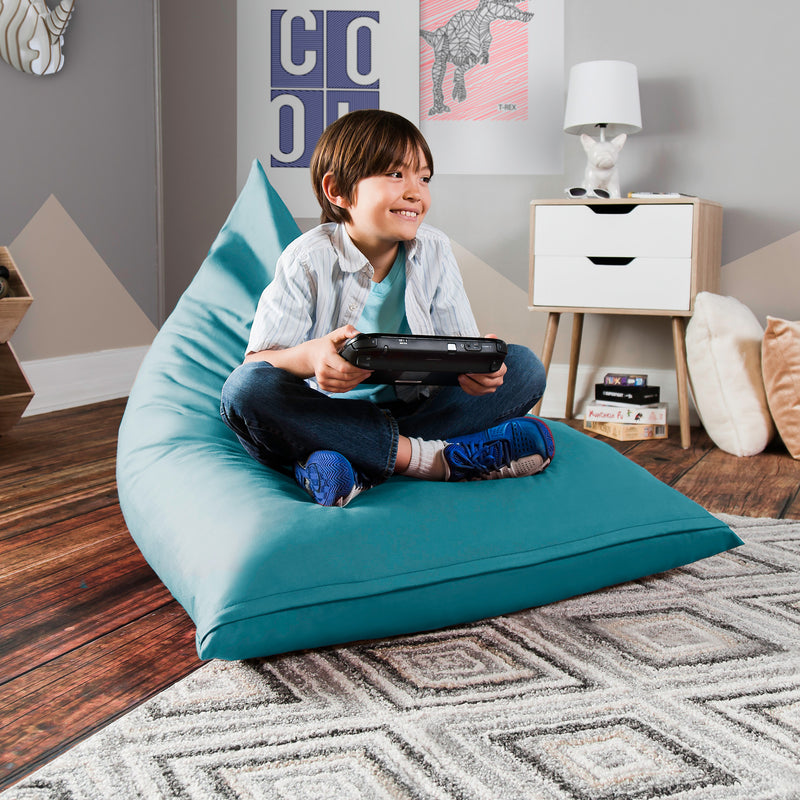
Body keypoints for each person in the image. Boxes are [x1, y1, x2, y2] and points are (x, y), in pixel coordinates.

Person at [221, 109, 553, 507]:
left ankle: (345, 461)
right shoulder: (306, 259)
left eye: (424, 178)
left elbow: (457, 345)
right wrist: (313, 356)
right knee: (244, 391)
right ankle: (430, 459)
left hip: (413, 411)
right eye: (396, 174)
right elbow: (258, 362)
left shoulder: (434, 250)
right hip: (324, 412)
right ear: (338, 190)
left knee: (524, 367)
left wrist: (475, 372)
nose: (416, 192)